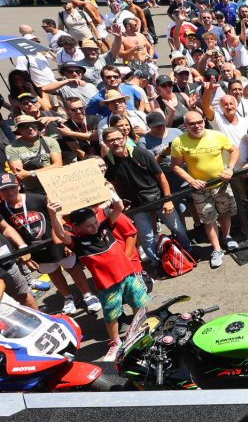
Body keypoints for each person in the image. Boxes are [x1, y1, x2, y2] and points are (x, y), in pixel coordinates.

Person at [47, 199, 147, 363]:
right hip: (107, 286)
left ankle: (140, 330)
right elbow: (60, 235)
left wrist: (112, 194)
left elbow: (119, 207)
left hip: (128, 275)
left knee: (139, 304)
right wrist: (53, 214)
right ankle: (115, 342)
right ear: (76, 228)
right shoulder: (78, 243)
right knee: (111, 316)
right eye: (89, 226)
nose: (94, 227)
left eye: (95, 222)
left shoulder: (104, 228)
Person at [0, 172, 99, 315]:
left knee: (73, 267)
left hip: (55, 240)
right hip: (34, 248)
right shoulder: (2, 209)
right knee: (52, 272)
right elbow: (8, 230)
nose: (9, 192)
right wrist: (23, 251)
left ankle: (87, 295)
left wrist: (66, 238)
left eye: (12, 187)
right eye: (4, 189)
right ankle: (68, 297)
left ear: (18, 186)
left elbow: (60, 217)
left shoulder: (37, 198)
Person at [101, 126, 190, 275]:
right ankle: (158, 264)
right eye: (111, 140)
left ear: (124, 138)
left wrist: (168, 200)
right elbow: (113, 185)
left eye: (118, 138)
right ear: (105, 142)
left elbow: (161, 176)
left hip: (157, 198)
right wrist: (121, 203)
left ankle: (187, 252)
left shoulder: (141, 153)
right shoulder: (107, 162)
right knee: (146, 238)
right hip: (135, 205)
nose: (116, 142)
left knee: (178, 228)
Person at [170, 110, 241, 269]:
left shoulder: (216, 135)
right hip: (200, 189)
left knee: (225, 212)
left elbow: (234, 150)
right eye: (191, 124)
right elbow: (175, 166)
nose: (196, 126)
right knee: (208, 218)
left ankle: (226, 237)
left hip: (221, 184)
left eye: (199, 122)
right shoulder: (179, 142)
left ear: (203, 120)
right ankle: (217, 249)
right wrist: (191, 180)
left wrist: (230, 168)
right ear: (185, 125)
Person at [5, 116, 63, 194]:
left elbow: (58, 165)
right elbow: (20, 174)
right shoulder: (11, 148)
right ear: (19, 130)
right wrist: (48, 169)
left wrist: (31, 173)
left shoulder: (50, 141)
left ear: (38, 127)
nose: (30, 128)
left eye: (33, 125)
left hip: (55, 184)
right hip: (33, 191)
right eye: (25, 126)